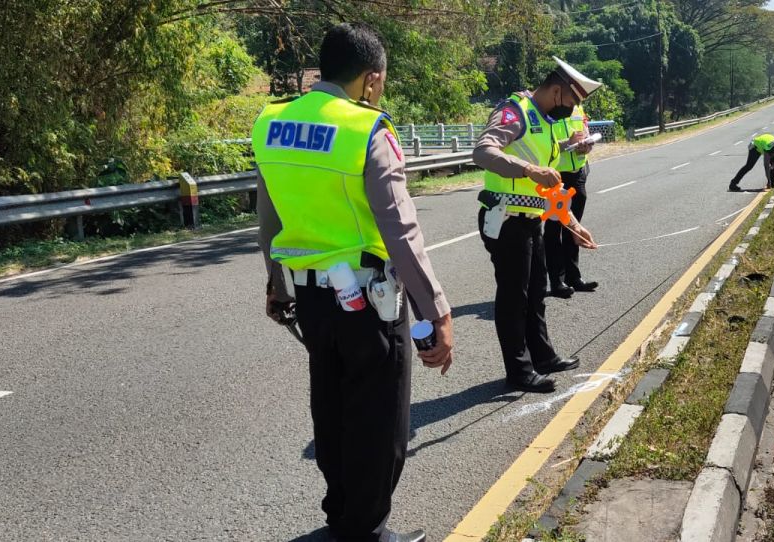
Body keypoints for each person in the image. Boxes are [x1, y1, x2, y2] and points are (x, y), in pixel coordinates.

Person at [254, 23, 453, 542]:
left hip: (311, 298)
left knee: (332, 403)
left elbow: (269, 217)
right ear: (370, 79)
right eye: (380, 82)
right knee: (380, 415)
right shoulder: (367, 131)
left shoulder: (272, 123)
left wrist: (276, 283)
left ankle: (340, 514)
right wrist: (436, 310)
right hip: (370, 300)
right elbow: (401, 229)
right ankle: (366, 530)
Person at [471, 56, 599, 394]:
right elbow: (483, 151)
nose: (571, 110)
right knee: (514, 297)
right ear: (557, 91)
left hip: (530, 220)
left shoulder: (546, 122)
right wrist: (528, 169)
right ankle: (518, 371)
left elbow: (549, 187)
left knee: (536, 292)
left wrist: (572, 225)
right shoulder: (515, 112)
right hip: (506, 219)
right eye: (571, 101)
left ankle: (542, 357)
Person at [544, 102, 598, 298]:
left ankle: (573, 277)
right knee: (553, 230)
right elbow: (543, 146)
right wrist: (567, 143)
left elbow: (585, 131)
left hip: (579, 173)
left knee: (574, 228)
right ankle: (557, 281)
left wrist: (587, 144)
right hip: (556, 175)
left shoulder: (578, 107)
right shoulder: (546, 108)